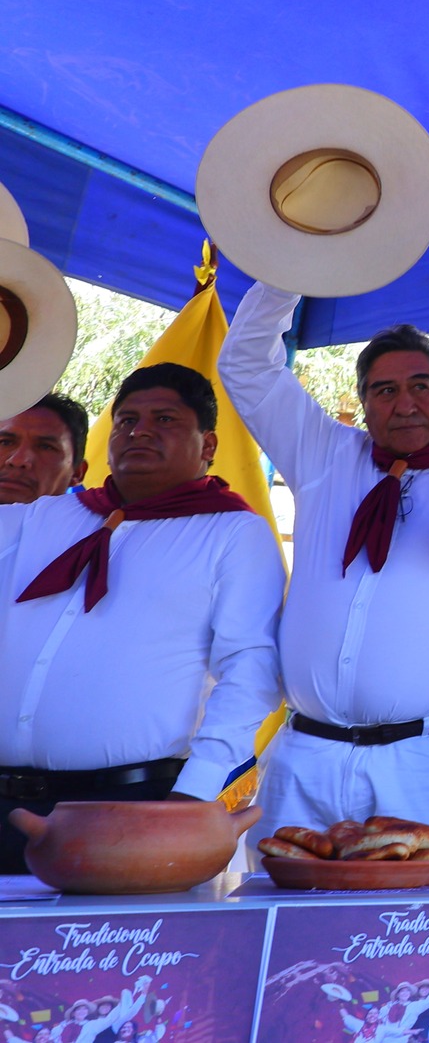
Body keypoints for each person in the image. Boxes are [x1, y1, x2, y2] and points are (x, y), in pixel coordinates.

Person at [221, 284, 429, 832]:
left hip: (428, 764)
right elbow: (245, 366)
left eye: (421, 386)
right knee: (277, 914)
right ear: (363, 403)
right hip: (304, 756)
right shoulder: (326, 455)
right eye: (383, 390)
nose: (404, 404)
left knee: (417, 919)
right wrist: (287, 264)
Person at [0, 365, 281, 872]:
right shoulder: (44, 516)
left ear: (209, 443)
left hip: (131, 805)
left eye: (164, 419)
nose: (139, 431)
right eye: (126, 420)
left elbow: (252, 669)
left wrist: (197, 794)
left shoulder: (233, 533)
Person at [0, 394, 87, 504]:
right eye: (5, 442)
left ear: (77, 473)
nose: (18, 460)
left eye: (45, 447)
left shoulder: (105, 521)